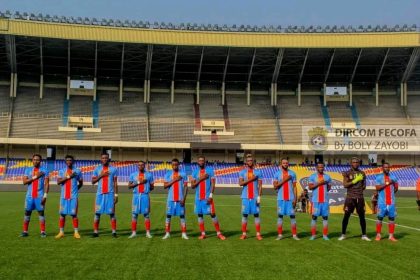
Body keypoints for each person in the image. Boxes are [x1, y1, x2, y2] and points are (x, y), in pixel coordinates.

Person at [191, 155, 226, 240]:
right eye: (200, 160)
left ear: (205, 161)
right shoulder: (194, 172)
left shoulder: (210, 171)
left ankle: (218, 233)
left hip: (207, 198)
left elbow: (213, 184)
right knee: (200, 215)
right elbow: (192, 186)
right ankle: (203, 234)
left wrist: (210, 196)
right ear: (197, 162)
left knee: (213, 214)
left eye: (202, 160)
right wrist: (201, 178)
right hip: (198, 198)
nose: (201, 162)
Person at [339, 157, 370, 241]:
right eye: (354, 162)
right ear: (351, 163)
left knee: (362, 217)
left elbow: (364, 186)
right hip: (350, 197)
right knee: (346, 216)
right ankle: (343, 234)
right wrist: (354, 181)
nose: (355, 163)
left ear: (359, 163)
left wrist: (358, 190)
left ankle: (364, 235)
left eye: (357, 162)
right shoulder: (347, 173)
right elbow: (345, 185)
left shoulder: (362, 173)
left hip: (360, 197)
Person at [21, 154, 50, 237]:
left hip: (39, 196)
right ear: (32, 160)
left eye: (37, 159)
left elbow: (47, 184)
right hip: (29, 196)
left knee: (41, 213)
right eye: (34, 159)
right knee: (27, 213)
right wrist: (36, 177)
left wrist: (45, 196)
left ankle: (43, 232)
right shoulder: (28, 170)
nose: (36, 161)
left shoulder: (44, 170)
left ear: (40, 161)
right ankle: (25, 231)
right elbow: (24, 182)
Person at [55, 155, 83, 239]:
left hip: (73, 196)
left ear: (73, 161)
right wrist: (69, 176)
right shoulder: (61, 171)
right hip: (63, 196)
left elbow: (81, 183)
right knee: (62, 214)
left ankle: (76, 232)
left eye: (70, 160)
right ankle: (61, 232)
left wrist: (75, 190)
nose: (69, 162)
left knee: (74, 214)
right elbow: (58, 182)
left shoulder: (77, 171)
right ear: (65, 161)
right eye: (67, 160)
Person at [91, 153, 119, 238]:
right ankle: (95, 232)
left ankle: (114, 232)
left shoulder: (114, 169)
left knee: (112, 213)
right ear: (101, 159)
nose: (104, 159)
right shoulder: (97, 169)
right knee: (97, 213)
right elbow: (93, 181)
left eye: (106, 158)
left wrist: (116, 195)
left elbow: (115, 183)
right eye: (103, 158)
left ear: (109, 159)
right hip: (100, 194)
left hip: (110, 194)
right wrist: (101, 175)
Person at [162, 158, 189, 240]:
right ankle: (167, 233)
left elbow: (186, 187)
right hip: (171, 199)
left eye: (176, 165)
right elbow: (165, 186)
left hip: (180, 199)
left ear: (178, 165)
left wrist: (184, 199)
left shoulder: (183, 174)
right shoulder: (167, 174)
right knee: (168, 215)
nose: (175, 166)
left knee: (182, 216)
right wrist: (175, 179)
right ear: (171, 165)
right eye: (173, 165)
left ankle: (184, 233)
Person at [273, 158, 299, 240]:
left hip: (290, 198)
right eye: (284, 163)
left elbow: (295, 187)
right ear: (281, 164)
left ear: (288, 164)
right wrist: (285, 179)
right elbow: (275, 186)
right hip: (281, 198)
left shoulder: (293, 174)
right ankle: (280, 235)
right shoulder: (277, 174)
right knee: (280, 216)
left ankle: (294, 235)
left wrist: (295, 198)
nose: (285, 164)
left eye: (286, 163)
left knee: (292, 216)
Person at [128, 160, 154, 239]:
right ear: (137, 166)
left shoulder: (149, 175)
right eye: (139, 165)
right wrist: (140, 182)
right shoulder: (133, 175)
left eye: (142, 165)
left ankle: (148, 233)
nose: (141, 166)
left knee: (146, 215)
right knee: (134, 215)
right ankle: (133, 232)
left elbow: (152, 187)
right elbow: (129, 186)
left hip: (145, 196)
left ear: (144, 166)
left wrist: (148, 184)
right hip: (136, 196)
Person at [238, 154, 263, 240]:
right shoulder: (242, 172)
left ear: (253, 162)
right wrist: (251, 179)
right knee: (245, 215)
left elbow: (260, 185)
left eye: (251, 160)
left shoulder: (258, 172)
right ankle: (244, 234)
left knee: (256, 215)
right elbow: (240, 183)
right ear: (246, 162)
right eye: (248, 161)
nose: (250, 162)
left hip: (255, 197)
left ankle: (258, 234)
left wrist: (259, 196)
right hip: (245, 197)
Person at [375, 163, 398, 242]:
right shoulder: (379, 177)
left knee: (392, 219)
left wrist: (391, 194)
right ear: (382, 168)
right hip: (382, 202)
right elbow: (377, 188)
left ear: (389, 168)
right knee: (379, 218)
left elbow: (396, 188)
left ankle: (391, 236)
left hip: (391, 202)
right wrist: (388, 183)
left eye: (388, 167)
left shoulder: (393, 177)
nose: (387, 168)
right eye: (385, 167)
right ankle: (378, 235)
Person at [308, 163, 332, 240]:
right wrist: (319, 183)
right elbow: (310, 187)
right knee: (314, 217)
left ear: (324, 167)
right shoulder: (312, 176)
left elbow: (329, 188)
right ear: (316, 168)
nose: (321, 168)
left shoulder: (327, 177)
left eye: (322, 167)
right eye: (319, 167)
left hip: (325, 200)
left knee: (325, 217)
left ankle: (325, 235)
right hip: (316, 200)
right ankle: (313, 235)